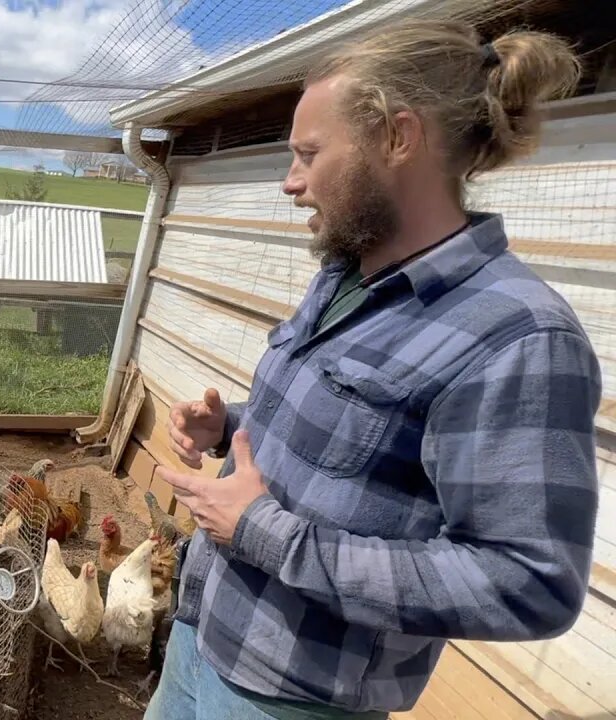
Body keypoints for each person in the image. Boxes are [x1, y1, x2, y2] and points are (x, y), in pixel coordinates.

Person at [145, 18, 603, 720]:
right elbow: (363, 444)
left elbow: (528, 583)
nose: (290, 183)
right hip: (203, 629)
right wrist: (229, 425)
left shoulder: (518, 336)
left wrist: (268, 533)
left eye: (308, 153)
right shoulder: (344, 273)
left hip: (290, 697)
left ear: (398, 137)